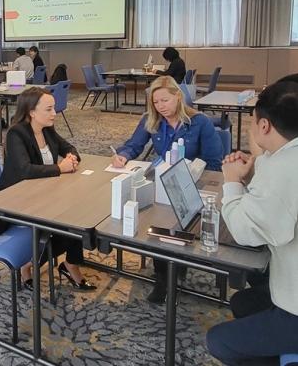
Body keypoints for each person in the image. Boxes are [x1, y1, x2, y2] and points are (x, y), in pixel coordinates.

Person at [206, 81, 298, 366]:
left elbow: (245, 232)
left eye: (252, 121)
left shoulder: (284, 168)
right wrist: (250, 174)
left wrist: (232, 182)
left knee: (218, 341)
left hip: (295, 306)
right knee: (243, 302)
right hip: (287, 282)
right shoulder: (285, 156)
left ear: (265, 126)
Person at [112, 75, 222, 303]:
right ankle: (162, 275)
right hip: (161, 181)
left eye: (165, 100)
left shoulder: (199, 122)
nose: (160, 106)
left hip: (192, 184)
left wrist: (195, 178)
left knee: (176, 218)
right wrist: (123, 155)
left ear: (178, 97)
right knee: (156, 219)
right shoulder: (151, 119)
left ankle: (177, 263)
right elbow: (134, 145)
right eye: (156, 102)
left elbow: (214, 162)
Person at [0, 87, 96, 291]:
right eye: (49, 109)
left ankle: (69, 263)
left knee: (78, 216)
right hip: (17, 199)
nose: (54, 113)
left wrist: (71, 157)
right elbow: (25, 170)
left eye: (54, 108)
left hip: (44, 193)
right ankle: (27, 264)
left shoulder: (46, 129)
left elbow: (69, 148)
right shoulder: (17, 133)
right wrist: (60, 168)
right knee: (68, 223)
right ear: (32, 112)